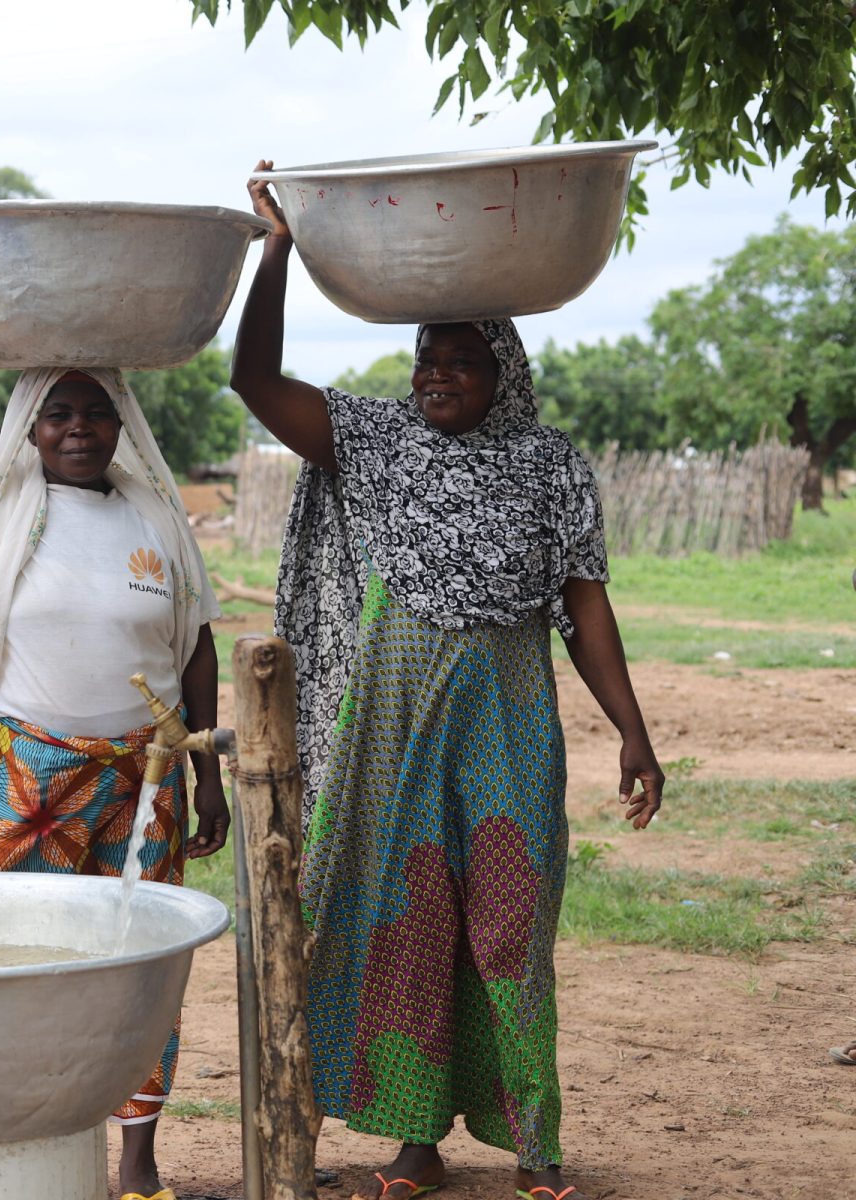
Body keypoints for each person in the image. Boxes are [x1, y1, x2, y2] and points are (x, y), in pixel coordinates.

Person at [229, 162, 667, 1200]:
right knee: (405, 913)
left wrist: (634, 732)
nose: (435, 377)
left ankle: (536, 1146)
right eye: (426, 358)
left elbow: (584, 607)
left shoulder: (552, 464)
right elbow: (252, 381)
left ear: (502, 371)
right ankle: (413, 1139)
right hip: (398, 704)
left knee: (511, 917)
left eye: (459, 361)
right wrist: (280, 252)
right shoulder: (379, 442)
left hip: (508, 708)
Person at [0, 205, 230, 1200]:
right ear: (33, 422)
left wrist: (205, 772)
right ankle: (17, 1149)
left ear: (121, 422)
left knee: (144, 969)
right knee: (14, 960)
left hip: (147, 782)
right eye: (60, 413)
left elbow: (194, 643)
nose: (79, 429)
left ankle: (137, 1166)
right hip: (37, 773)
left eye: (96, 412)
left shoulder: (158, 514)